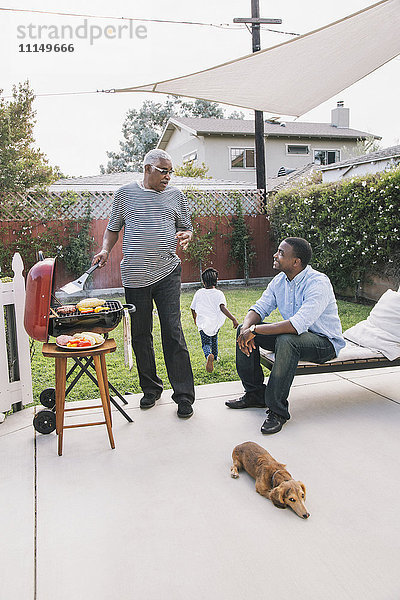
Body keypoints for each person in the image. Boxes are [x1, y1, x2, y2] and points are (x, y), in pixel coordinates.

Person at [92, 149, 195, 419]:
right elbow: (113, 228)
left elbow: (186, 226)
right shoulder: (125, 194)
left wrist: (186, 236)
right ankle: (151, 389)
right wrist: (105, 250)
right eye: (164, 170)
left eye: (171, 171)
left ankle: (184, 395)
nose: (168, 176)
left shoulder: (176, 196)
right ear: (148, 168)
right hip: (135, 275)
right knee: (140, 334)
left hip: (167, 271)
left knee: (172, 331)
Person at [225, 237, 345, 434]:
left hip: (324, 343)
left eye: (281, 252)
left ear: (296, 262)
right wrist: (246, 327)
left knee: (286, 340)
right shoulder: (280, 280)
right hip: (296, 336)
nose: (275, 255)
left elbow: (297, 325)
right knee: (242, 330)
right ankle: (255, 394)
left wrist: (254, 330)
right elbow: (260, 307)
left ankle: (277, 410)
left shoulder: (318, 283)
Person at [190, 267, 238, 373]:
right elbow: (222, 307)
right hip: (215, 323)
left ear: (203, 282)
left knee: (205, 343)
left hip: (203, 323)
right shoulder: (219, 294)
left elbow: (192, 308)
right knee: (214, 340)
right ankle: (215, 357)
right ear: (216, 281)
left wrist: (195, 318)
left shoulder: (199, 293)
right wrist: (233, 319)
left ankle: (208, 356)